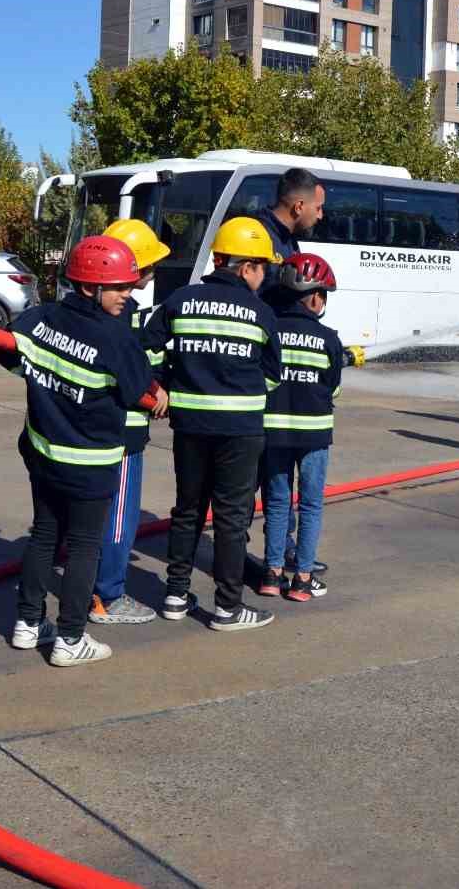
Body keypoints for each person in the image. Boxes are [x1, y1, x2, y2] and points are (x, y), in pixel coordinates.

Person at [0, 236, 156, 666]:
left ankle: (28, 625)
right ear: (90, 287)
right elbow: (140, 390)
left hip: (41, 452)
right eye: (120, 287)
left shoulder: (37, 319)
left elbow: (8, 358)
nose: (129, 293)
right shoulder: (116, 338)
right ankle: (69, 638)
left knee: (45, 534)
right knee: (85, 546)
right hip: (90, 462)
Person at [143, 216, 283, 632]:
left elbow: (148, 350)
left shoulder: (181, 301)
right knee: (230, 518)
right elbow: (273, 376)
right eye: (263, 268)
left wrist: (164, 384)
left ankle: (174, 595)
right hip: (240, 431)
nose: (264, 276)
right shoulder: (260, 313)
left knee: (187, 510)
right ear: (245, 267)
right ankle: (226, 607)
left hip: (189, 425)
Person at [256, 253, 364, 601]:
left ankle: (272, 575)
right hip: (314, 434)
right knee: (311, 504)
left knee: (276, 502)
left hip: (272, 431)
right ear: (315, 297)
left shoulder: (268, 331)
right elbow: (333, 388)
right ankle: (302, 579)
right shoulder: (328, 338)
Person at [86, 219, 171, 626]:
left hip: (79, 433)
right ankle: (109, 596)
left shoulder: (88, 313)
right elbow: (134, 374)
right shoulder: (126, 319)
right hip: (123, 434)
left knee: (86, 516)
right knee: (119, 515)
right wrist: (157, 393)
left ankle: (90, 587)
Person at [252, 167, 330, 577]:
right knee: (264, 484)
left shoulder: (288, 239)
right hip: (257, 377)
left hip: (274, 373)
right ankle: (271, 561)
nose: (321, 215)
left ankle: (282, 558)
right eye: (317, 207)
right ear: (298, 205)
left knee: (273, 486)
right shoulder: (261, 237)